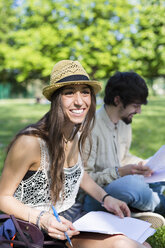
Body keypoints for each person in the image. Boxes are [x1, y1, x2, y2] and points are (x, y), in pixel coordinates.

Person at [0, 61, 151, 248]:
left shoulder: (76, 133)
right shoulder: (30, 142)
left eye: (85, 92)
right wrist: (43, 219)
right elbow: (2, 197)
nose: (79, 101)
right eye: (69, 92)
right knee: (122, 244)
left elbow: (78, 173)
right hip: (35, 230)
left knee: (141, 244)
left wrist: (106, 198)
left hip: (72, 221)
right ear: (56, 99)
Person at [83, 71, 165, 227]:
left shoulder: (123, 122)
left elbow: (123, 157)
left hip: (118, 183)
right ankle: (158, 205)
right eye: (136, 105)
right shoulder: (90, 128)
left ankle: (134, 209)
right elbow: (83, 179)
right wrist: (120, 172)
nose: (139, 111)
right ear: (117, 100)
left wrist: (143, 165)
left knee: (156, 178)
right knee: (131, 185)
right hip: (97, 197)